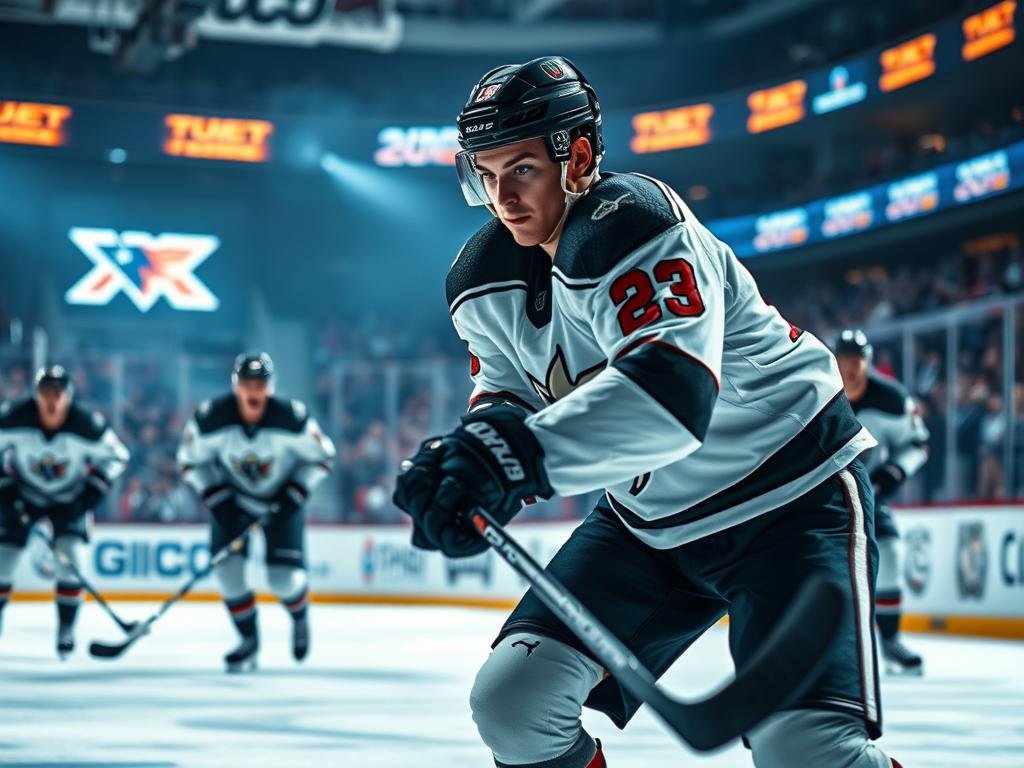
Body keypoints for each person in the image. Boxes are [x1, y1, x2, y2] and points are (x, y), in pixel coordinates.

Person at [393, 56, 903, 767]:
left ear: (576, 158)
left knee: (806, 752)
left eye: (522, 170)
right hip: (648, 526)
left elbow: (672, 399)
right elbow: (507, 397)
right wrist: (462, 464)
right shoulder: (479, 277)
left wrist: (512, 459)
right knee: (514, 705)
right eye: (487, 173)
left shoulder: (633, 220)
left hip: (790, 501)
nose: (502, 196)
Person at [176, 352, 335, 672]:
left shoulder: (292, 418)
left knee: (283, 579)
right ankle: (248, 641)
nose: (253, 391)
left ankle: (299, 615)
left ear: (271, 386)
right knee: (228, 573)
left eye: (260, 384)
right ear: (235, 385)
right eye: (247, 383)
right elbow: (189, 461)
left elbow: (323, 457)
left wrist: (294, 494)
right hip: (232, 502)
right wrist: (217, 497)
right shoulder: (211, 418)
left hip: (281, 502)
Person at [0, 365, 129, 658]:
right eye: (45, 393)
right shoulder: (12, 417)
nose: (51, 400)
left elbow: (118, 457)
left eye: (57, 394)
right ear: (36, 395)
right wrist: (6, 492)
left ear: (68, 397)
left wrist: (85, 499)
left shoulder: (88, 424)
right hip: (23, 496)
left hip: (70, 500)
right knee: (2, 562)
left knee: (72, 563)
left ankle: (66, 628)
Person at [835, 329, 930, 675]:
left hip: (868, 493)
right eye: (844, 359)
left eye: (857, 359)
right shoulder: (817, 388)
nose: (851, 368)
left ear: (869, 362)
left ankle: (889, 639)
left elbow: (918, 444)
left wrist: (896, 471)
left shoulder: (891, 399)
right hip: (815, 495)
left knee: (889, 551)